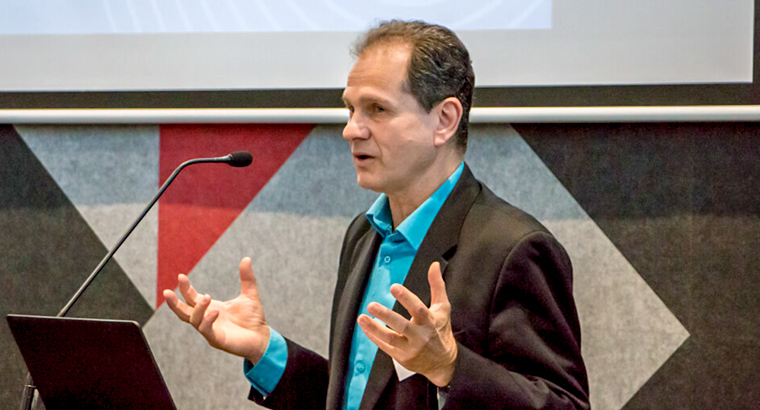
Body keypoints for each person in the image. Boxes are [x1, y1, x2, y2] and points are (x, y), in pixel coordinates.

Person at [163, 20, 589, 410]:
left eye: (377, 110)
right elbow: (364, 398)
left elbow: (564, 405)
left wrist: (451, 368)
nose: (352, 129)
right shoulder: (364, 234)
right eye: (351, 109)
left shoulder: (515, 248)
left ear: (444, 120)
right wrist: (265, 350)